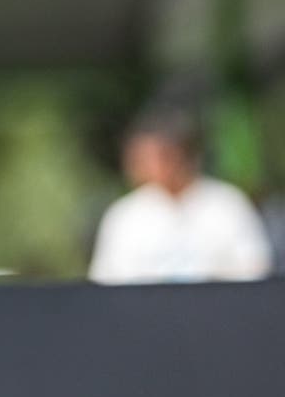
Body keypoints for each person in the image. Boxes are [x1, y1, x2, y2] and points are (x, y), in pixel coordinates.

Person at [89, 106, 273, 284]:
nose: (146, 167)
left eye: (159, 157)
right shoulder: (125, 215)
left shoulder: (227, 203)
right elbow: (106, 279)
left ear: (184, 154)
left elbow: (254, 268)